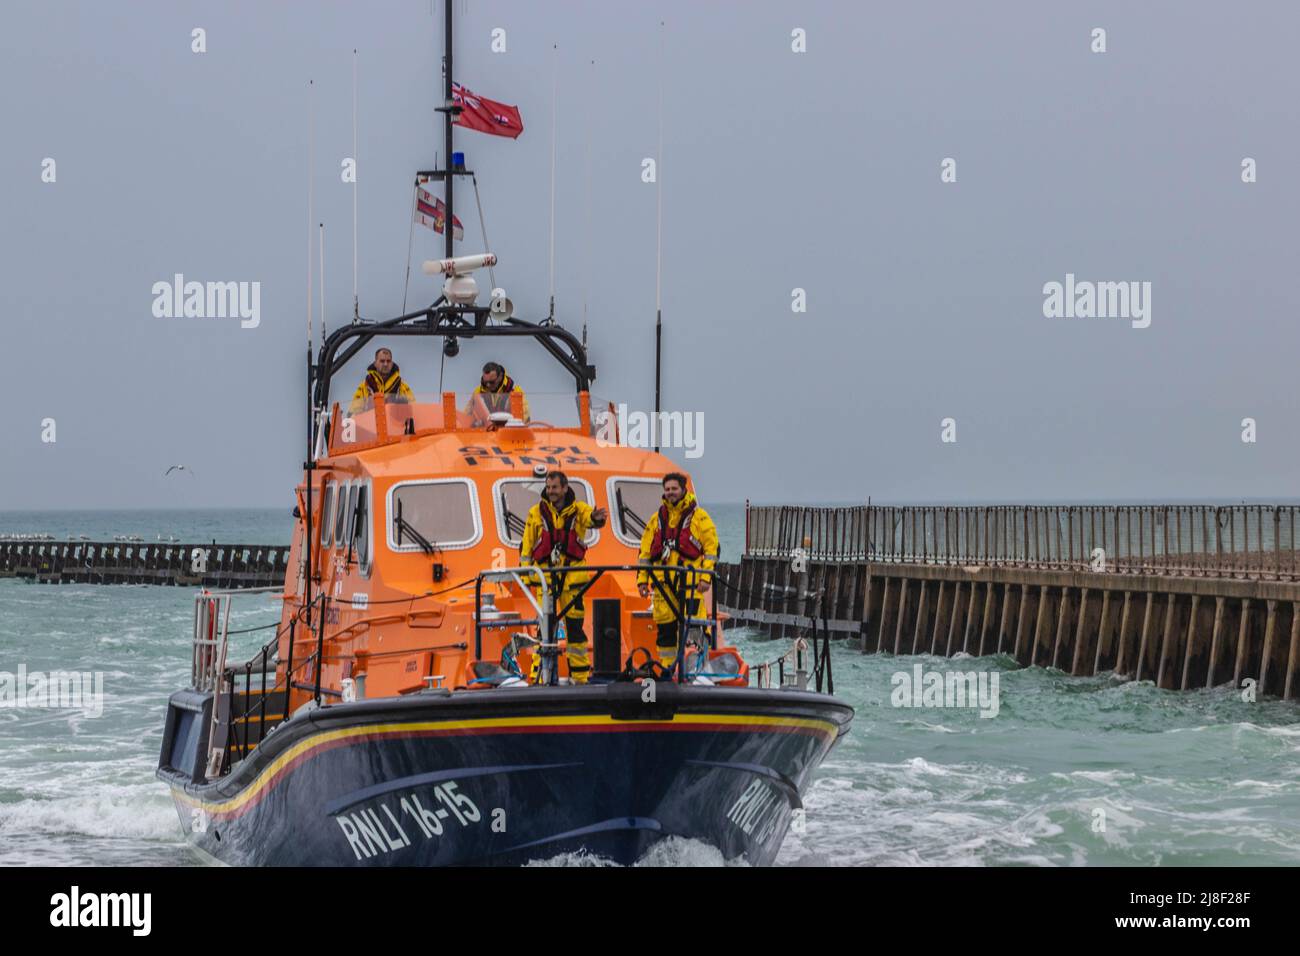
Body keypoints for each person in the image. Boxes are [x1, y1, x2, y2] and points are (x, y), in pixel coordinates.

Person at [519, 471, 607, 684]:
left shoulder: (579, 510)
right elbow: (527, 547)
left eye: (555, 488)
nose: (551, 492)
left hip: (572, 581)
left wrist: (596, 519)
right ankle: (540, 675)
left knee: (575, 631)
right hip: (546, 581)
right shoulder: (535, 513)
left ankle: (580, 677)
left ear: (565, 488)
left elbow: (591, 519)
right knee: (544, 631)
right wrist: (528, 576)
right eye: (548, 488)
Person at [637, 473, 720, 670]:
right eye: (667, 489)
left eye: (674, 489)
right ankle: (668, 671)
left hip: (690, 585)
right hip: (662, 587)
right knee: (665, 633)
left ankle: (693, 671)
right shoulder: (656, 520)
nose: (670, 492)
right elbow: (645, 552)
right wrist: (642, 581)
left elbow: (711, 550)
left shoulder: (700, 517)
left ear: (683, 489)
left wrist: (706, 577)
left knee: (693, 631)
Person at [350, 348, 414, 413]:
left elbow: (414, 410)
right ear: (375, 363)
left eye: (388, 361)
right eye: (382, 361)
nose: (385, 364)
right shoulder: (365, 386)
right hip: (370, 422)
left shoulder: (402, 387)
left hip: (397, 423)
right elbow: (354, 413)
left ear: (392, 363)